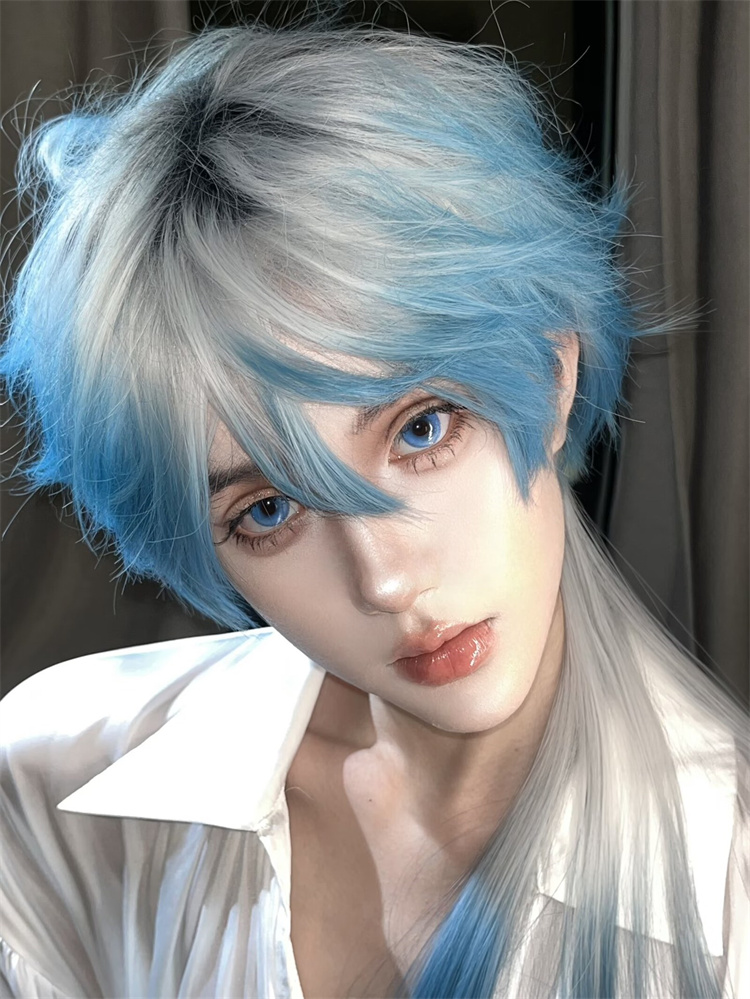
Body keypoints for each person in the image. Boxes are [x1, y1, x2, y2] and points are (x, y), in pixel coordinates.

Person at [0, 18, 747, 999]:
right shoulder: (59, 780)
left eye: (422, 429)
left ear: (553, 374)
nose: (388, 580)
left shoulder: (729, 886)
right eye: (267, 510)